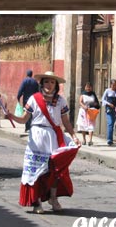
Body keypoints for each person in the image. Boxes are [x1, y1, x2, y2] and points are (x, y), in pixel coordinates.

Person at [8, 71, 81, 214]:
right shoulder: (34, 99)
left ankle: (53, 198)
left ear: (56, 85)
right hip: (37, 137)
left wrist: (74, 135)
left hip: (53, 137)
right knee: (36, 170)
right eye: (46, 82)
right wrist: (11, 116)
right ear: (42, 84)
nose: (49, 85)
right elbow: (24, 119)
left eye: (52, 82)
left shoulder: (60, 101)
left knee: (54, 169)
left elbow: (65, 121)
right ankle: (37, 202)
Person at [101, 79, 116, 145]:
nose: (114, 86)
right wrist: (109, 104)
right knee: (110, 123)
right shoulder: (107, 91)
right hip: (109, 109)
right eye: (113, 85)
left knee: (115, 124)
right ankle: (109, 140)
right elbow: (103, 100)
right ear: (110, 84)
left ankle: (115, 138)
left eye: (115, 85)